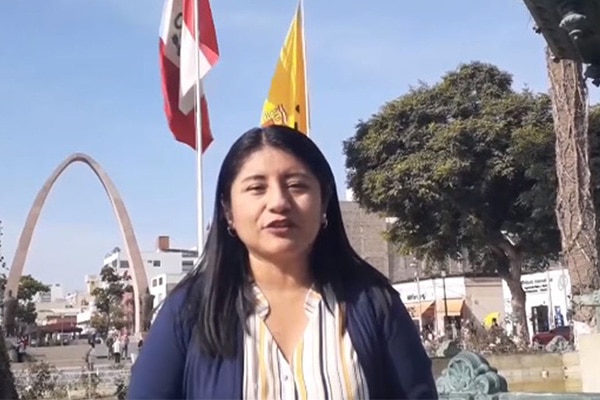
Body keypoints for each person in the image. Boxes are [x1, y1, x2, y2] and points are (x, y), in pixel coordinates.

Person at [128, 125, 437, 399]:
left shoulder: (375, 305)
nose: (278, 202)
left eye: (296, 185)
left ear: (324, 202)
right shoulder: (188, 312)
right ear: (228, 211)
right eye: (256, 188)